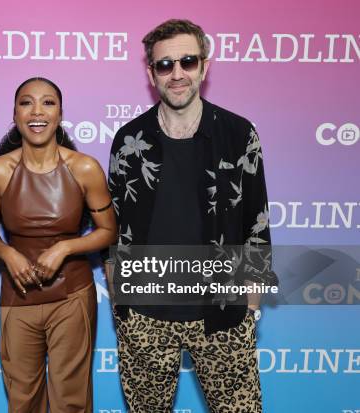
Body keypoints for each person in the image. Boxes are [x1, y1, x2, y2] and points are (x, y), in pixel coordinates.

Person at [105, 19, 278, 412]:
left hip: (224, 314)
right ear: (151, 73)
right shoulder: (130, 141)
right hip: (144, 316)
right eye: (165, 65)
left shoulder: (238, 133)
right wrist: (122, 307)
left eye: (187, 61)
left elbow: (257, 219)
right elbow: (113, 229)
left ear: (205, 65)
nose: (177, 73)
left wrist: (250, 305)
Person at [0, 77, 116, 413]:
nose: (37, 111)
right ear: (14, 113)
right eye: (27, 102)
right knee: (22, 400)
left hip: (72, 296)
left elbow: (109, 231)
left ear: (60, 114)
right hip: (18, 295)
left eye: (48, 103)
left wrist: (65, 248)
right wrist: (7, 252)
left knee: (71, 400)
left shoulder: (84, 168)